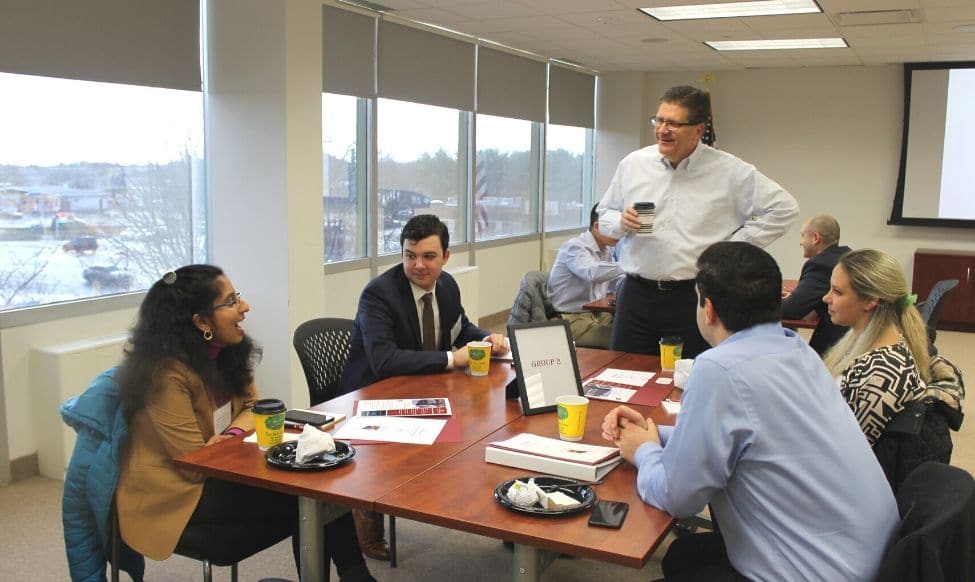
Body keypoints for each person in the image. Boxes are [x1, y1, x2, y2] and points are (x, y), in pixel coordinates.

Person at [601, 242, 897, 581]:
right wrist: (657, 433)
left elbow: (678, 497)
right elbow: (751, 438)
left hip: (812, 571)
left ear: (707, 309)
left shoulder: (719, 368)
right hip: (864, 559)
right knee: (684, 556)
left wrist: (645, 451)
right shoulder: (796, 349)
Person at [115, 265, 375, 582]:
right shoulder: (165, 374)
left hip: (228, 464)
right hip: (178, 491)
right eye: (230, 302)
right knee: (306, 495)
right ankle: (353, 576)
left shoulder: (227, 351)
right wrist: (226, 442)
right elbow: (193, 464)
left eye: (237, 297)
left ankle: (355, 575)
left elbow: (255, 408)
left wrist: (233, 434)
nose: (244, 307)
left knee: (319, 480)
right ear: (200, 322)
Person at [339, 213, 507, 559]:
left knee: (483, 428)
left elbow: (461, 329)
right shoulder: (378, 294)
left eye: (428, 256)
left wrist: (485, 337)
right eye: (409, 255)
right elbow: (385, 361)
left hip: (425, 386)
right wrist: (452, 359)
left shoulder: (447, 285)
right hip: (376, 394)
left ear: (446, 257)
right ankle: (365, 510)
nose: (417, 265)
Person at [597, 85, 799, 358]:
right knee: (622, 373)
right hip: (636, 293)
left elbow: (783, 208)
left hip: (693, 296)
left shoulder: (730, 171)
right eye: (659, 120)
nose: (662, 130)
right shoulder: (634, 164)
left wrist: (731, 248)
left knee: (691, 376)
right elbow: (605, 215)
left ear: (698, 129)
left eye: (673, 123)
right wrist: (620, 222)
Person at [823, 249, 959, 491]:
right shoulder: (864, 340)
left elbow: (842, 459)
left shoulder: (882, 373)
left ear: (871, 300)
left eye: (837, 292)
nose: (826, 298)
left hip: (851, 493)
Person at [547, 204, 624, 348]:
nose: (619, 233)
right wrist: (627, 265)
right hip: (573, 320)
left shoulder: (606, 251)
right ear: (597, 226)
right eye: (614, 228)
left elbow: (616, 283)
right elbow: (592, 272)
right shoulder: (575, 247)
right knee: (621, 341)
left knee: (636, 332)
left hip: (599, 315)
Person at [782, 214, 851, 354]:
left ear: (815, 238)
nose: (801, 242)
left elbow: (788, 311)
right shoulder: (844, 256)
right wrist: (794, 296)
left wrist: (761, 303)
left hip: (834, 349)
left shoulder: (820, 265)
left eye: (803, 236)